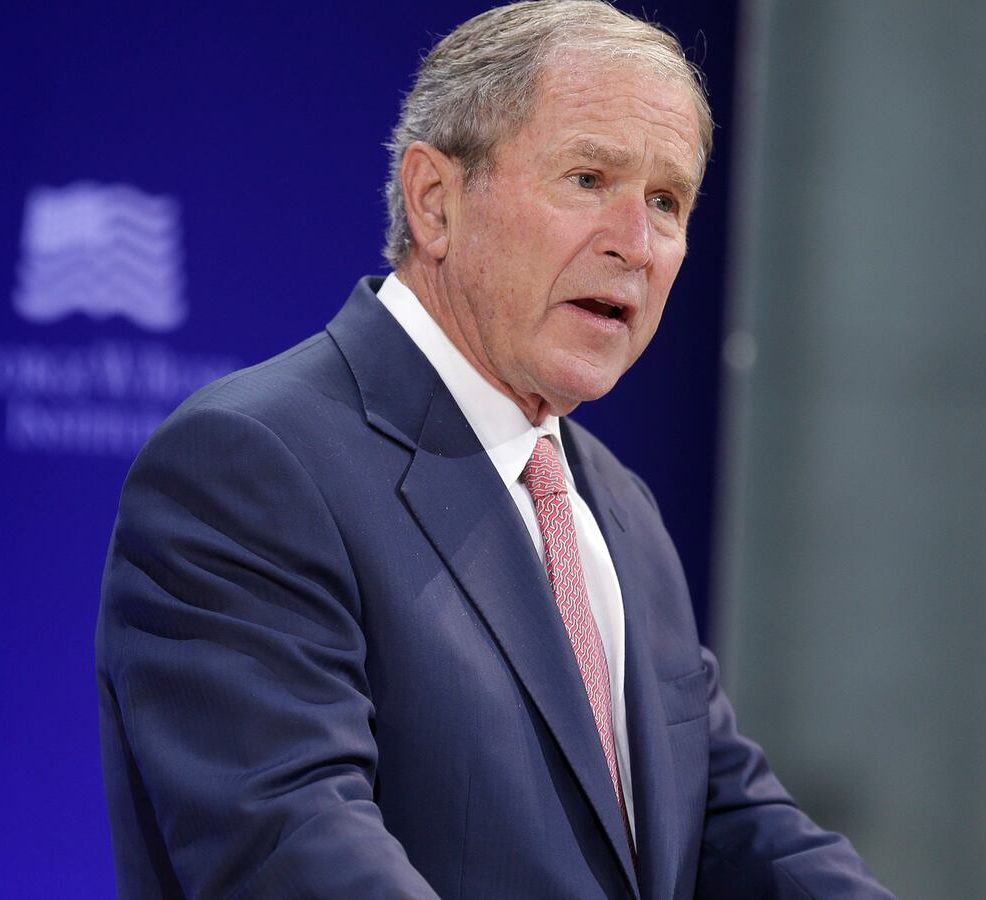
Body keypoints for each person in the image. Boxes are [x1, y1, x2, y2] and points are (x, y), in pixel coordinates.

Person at [95, 2, 894, 897]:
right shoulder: (251, 465)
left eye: (666, 202)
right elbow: (293, 845)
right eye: (589, 178)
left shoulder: (616, 508)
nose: (635, 244)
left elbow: (728, 822)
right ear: (435, 201)